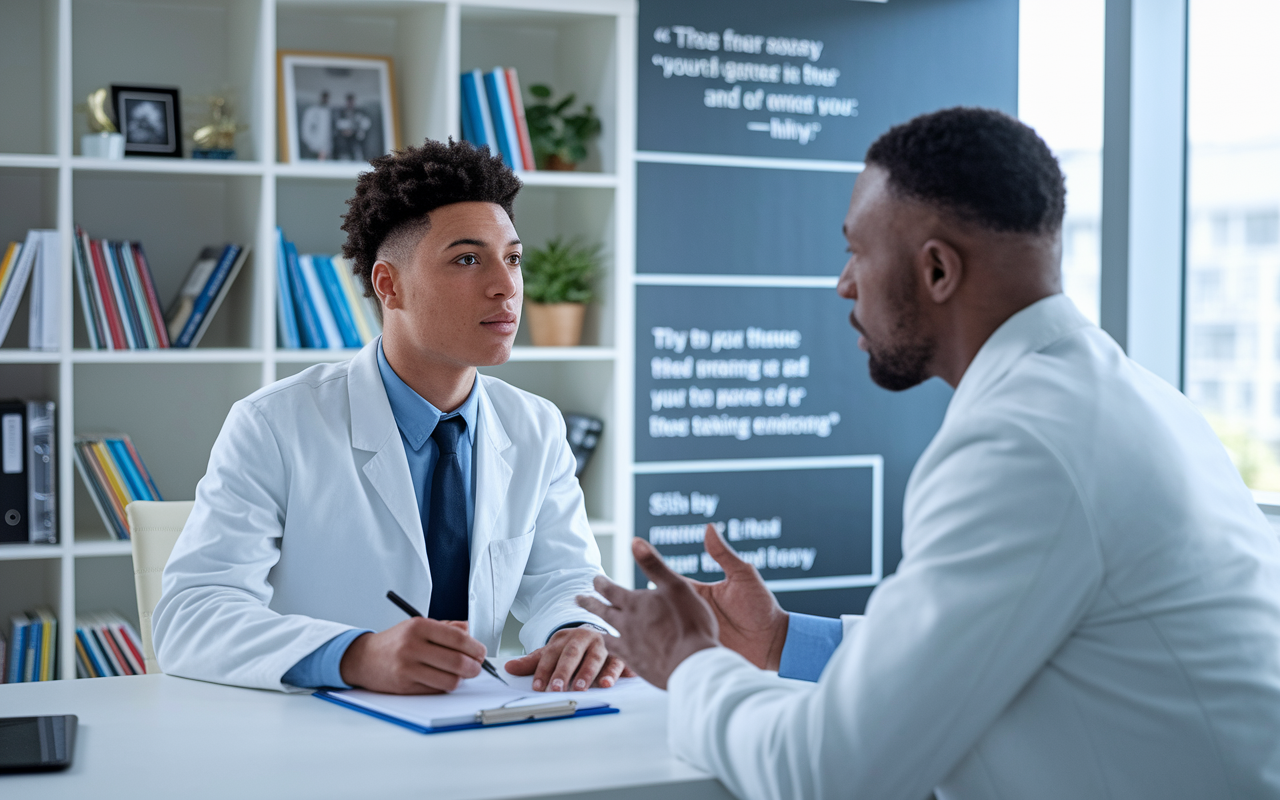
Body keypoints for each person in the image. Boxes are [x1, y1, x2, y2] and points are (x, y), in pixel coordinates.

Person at [578, 108, 1280, 799]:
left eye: (856, 252)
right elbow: (975, 658)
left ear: (938, 270)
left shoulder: (1021, 444)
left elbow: (825, 775)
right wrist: (781, 639)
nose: (843, 284)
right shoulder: (1125, 399)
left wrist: (688, 660)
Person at [155, 139, 629, 695]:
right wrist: (355, 655)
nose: (506, 286)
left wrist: (578, 630)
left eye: (513, 257)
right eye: (468, 259)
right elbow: (191, 616)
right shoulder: (273, 424)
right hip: (324, 737)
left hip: (472, 731)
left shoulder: (536, 426)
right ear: (389, 285)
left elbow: (563, 578)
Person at [299, 90, 332, 160]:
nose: (325, 99)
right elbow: (305, 130)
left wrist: (325, 149)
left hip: (325, 149)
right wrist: (312, 144)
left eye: (327, 98)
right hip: (312, 148)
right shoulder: (311, 111)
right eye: (324, 97)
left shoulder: (329, 112)